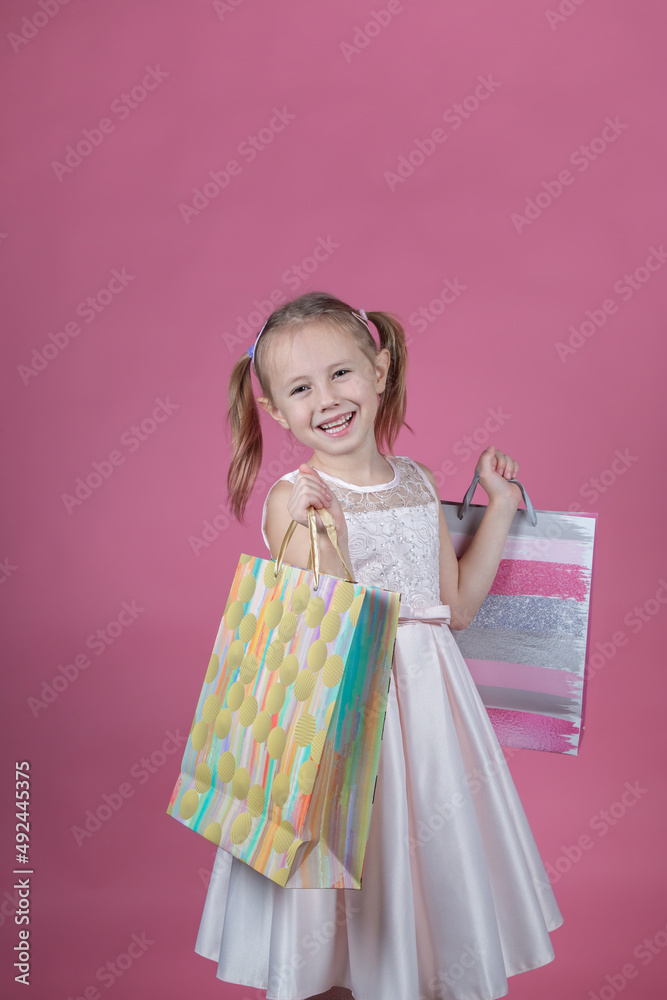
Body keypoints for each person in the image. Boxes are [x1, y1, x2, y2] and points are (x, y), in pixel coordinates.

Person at [195, 290, 563, 1000]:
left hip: (428, 716)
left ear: (380, 369)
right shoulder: (292, 496)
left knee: (424, 869)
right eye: (300, 388)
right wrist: (314, 527)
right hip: (344, 716)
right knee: (340, 884)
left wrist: (502, 504)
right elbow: (314, 630)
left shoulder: (419, 483)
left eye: (341, 374)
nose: (327, 399)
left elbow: (453, 608)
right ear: (274, 409)